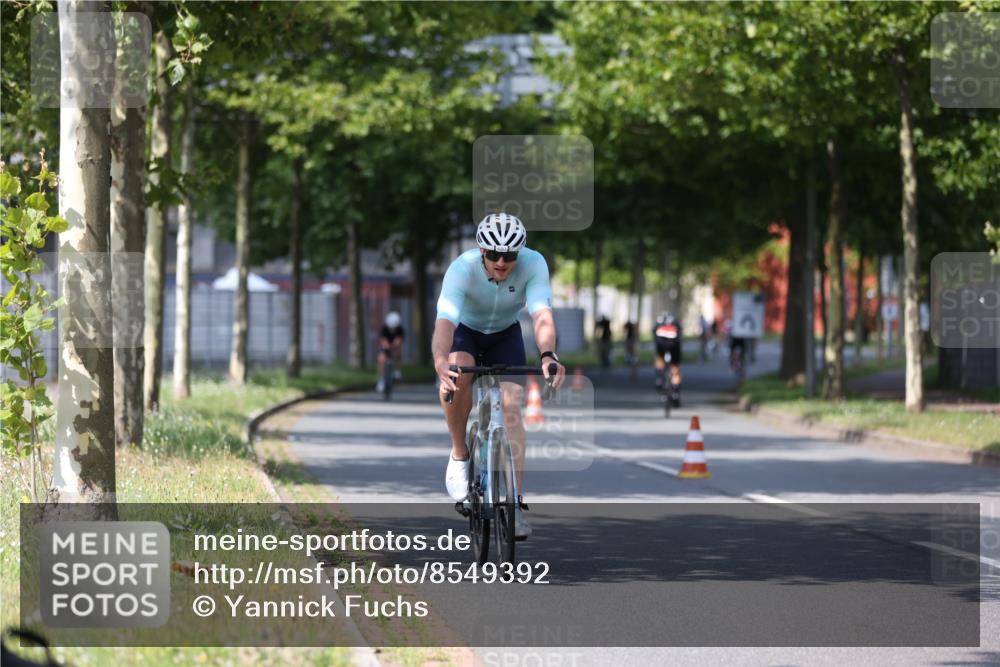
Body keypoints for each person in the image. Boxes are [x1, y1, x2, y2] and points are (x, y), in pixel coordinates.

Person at [432, 213, 566, 539]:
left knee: (512, 406)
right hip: (466, 332)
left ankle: (516, 505)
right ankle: (459, 453)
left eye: (510, 255)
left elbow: (542, 315)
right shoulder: (461, 269)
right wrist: (440, 361)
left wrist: (548, 355)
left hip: (505, 334)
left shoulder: (534, 264)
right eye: (494, 255)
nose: (502, 262)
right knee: (457, 376)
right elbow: (446, 322)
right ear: (482, 250)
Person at [653, 312, 682, 407]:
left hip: (660, 343)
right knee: (675, 368)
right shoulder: (675, 322)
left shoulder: (659, 321)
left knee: (659, 358)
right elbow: (680, 335)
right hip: (674, 345)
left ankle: (659, 378)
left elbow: (653, 333)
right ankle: (676, 393)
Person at [375, 311, 405, 393]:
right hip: (386, 345)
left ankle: (397, 371)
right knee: (381, 358)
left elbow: (400, 340)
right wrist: (387, 347)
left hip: (396, 345)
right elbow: (383, 341)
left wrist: (395, 345)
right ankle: (381, 379)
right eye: (391, 328)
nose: (392, 330)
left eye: (394, 328)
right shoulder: (384, 329)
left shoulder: (400, 329)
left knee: (399, 350)